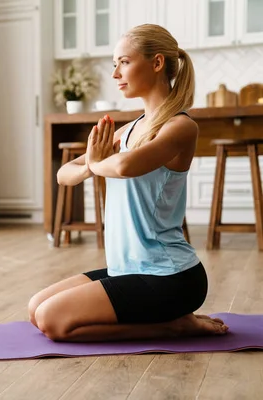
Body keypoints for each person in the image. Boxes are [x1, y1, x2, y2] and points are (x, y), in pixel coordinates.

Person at [28, 24, 229, 342]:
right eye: (114, 64)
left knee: (53, 322)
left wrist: (94, 163)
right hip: (129, 270)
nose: (115, 73)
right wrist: (91, 166)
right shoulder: (128, 129)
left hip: (170, 276)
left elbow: (124, 166)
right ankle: (170, 321)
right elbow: (64, 173)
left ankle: (173, 325)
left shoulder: (179, 126)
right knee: (36, 308)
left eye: (124, 62)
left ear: (157, 63)